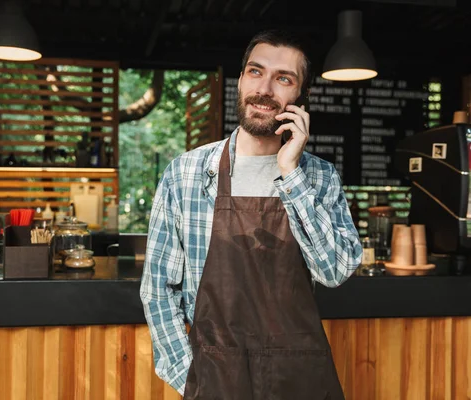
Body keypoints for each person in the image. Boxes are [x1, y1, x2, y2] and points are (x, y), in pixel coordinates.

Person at [140, 29, 362, 400]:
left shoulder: (319, 178)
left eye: (284, 79)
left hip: (300, 379)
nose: (266, 89)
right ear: (241, 80)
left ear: (300, 98)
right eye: (256, 72)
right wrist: (190, 377)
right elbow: (158, 290)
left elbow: (336, 270)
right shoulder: (187, 174)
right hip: (215, 380)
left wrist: (291, 173)